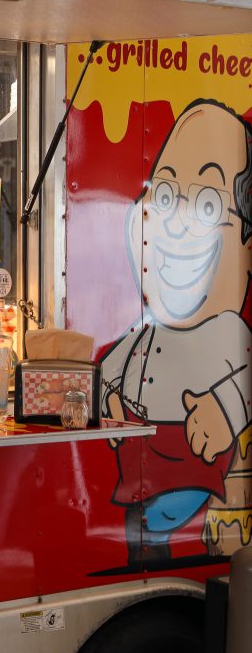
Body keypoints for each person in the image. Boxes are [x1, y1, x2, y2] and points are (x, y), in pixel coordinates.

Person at [99, 100, 252, 564]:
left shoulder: (229, 330)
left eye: (207, 204)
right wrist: (107, 392)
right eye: (164, 197)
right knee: (140, 529)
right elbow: (111, 364)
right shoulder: (145, 330)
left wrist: (226, 410)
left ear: (246, 237)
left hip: (191, 469)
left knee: (160, 527)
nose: (178, 225)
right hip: (140, 468)